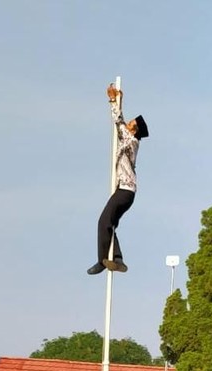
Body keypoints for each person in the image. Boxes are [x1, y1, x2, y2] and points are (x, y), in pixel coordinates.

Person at [87, 83, 149, 275]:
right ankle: (118, 259)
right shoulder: (131, 140)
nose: (128, 124)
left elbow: (119, 123)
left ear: (134, 131)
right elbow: (121, 123)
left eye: (131, 124)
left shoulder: (131, 141)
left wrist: (114, 101)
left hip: (125, 191)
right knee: (110, 223)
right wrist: (118, 101)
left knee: (103, 222)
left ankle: (102, 261)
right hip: (126, 192)